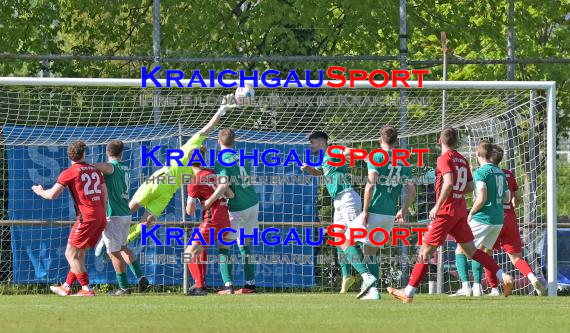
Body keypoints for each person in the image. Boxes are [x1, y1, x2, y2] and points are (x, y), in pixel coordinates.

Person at [387, 128, 513, 303]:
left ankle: (408, 292)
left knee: (425, 250)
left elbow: (448, 182)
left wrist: (437, 206)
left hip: (445, 212)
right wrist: (456, 195)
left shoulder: (444, 158)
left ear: (440, 140)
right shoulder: (462, 159)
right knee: (472, 251)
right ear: (457, 142)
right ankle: (503, 276)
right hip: (460, 211)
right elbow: (470, 187)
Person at [345, 125, 416, 300]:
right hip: (390, 215)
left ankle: (366, 276)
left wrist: (364, 210)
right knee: (370, 252)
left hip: (375, 211)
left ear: (380, 139)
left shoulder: (376, 156)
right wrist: (403, 210)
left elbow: (370, 185)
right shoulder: (403, 161)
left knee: (345, 240)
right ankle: (373, 291)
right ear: (397, 141)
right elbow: (412, 191)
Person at [32, 141, 108, 296]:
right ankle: (67, 286)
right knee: (78, 254)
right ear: (84, 154)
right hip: (100, 215)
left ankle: (87, 289)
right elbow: (105, 195)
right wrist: (101, 214)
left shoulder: (69, 172)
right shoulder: (95, 170)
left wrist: (39, 191)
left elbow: (52, 195)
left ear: (69, 155)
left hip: (87, 217)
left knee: (70, 254)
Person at [485, 144, 546, 296]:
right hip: (510, 219)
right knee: (516, 258)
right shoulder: (508, 174)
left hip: (494, 218)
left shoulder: (487, 173)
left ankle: (493, 289)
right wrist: (511, 206)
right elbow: (518, 199)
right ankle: (532, 277)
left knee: (486, 254)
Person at [452, 140, 510, 297]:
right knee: (480, 252)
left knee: (461, 248)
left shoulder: (480, 173)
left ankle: (466, 286)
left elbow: (482, 197)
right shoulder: (500, 172)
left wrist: (471, 213)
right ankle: (477, 287)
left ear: (478, 155)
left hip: (483, 217)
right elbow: (507, 198)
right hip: (498, 220)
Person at [93, 140, 149, 295]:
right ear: (122, 153)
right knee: (123, 247)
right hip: (125, 214)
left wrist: (83, 164)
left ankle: (124, 287)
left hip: (115, 215)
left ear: (107, 152)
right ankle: (140, 276)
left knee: (113, 253)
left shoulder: (111, 167)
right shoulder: (125, 167)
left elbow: (102, 167)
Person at [184, 146, 234, 296]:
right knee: (202, 249)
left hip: (213, 220)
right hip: (225, 217)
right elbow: (230, 194)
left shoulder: (194, 182)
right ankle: (205, 284)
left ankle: (200, 287)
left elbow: (190, 211)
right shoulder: (213, 173)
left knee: (188, 253)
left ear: (189, 162)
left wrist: (199, 201)